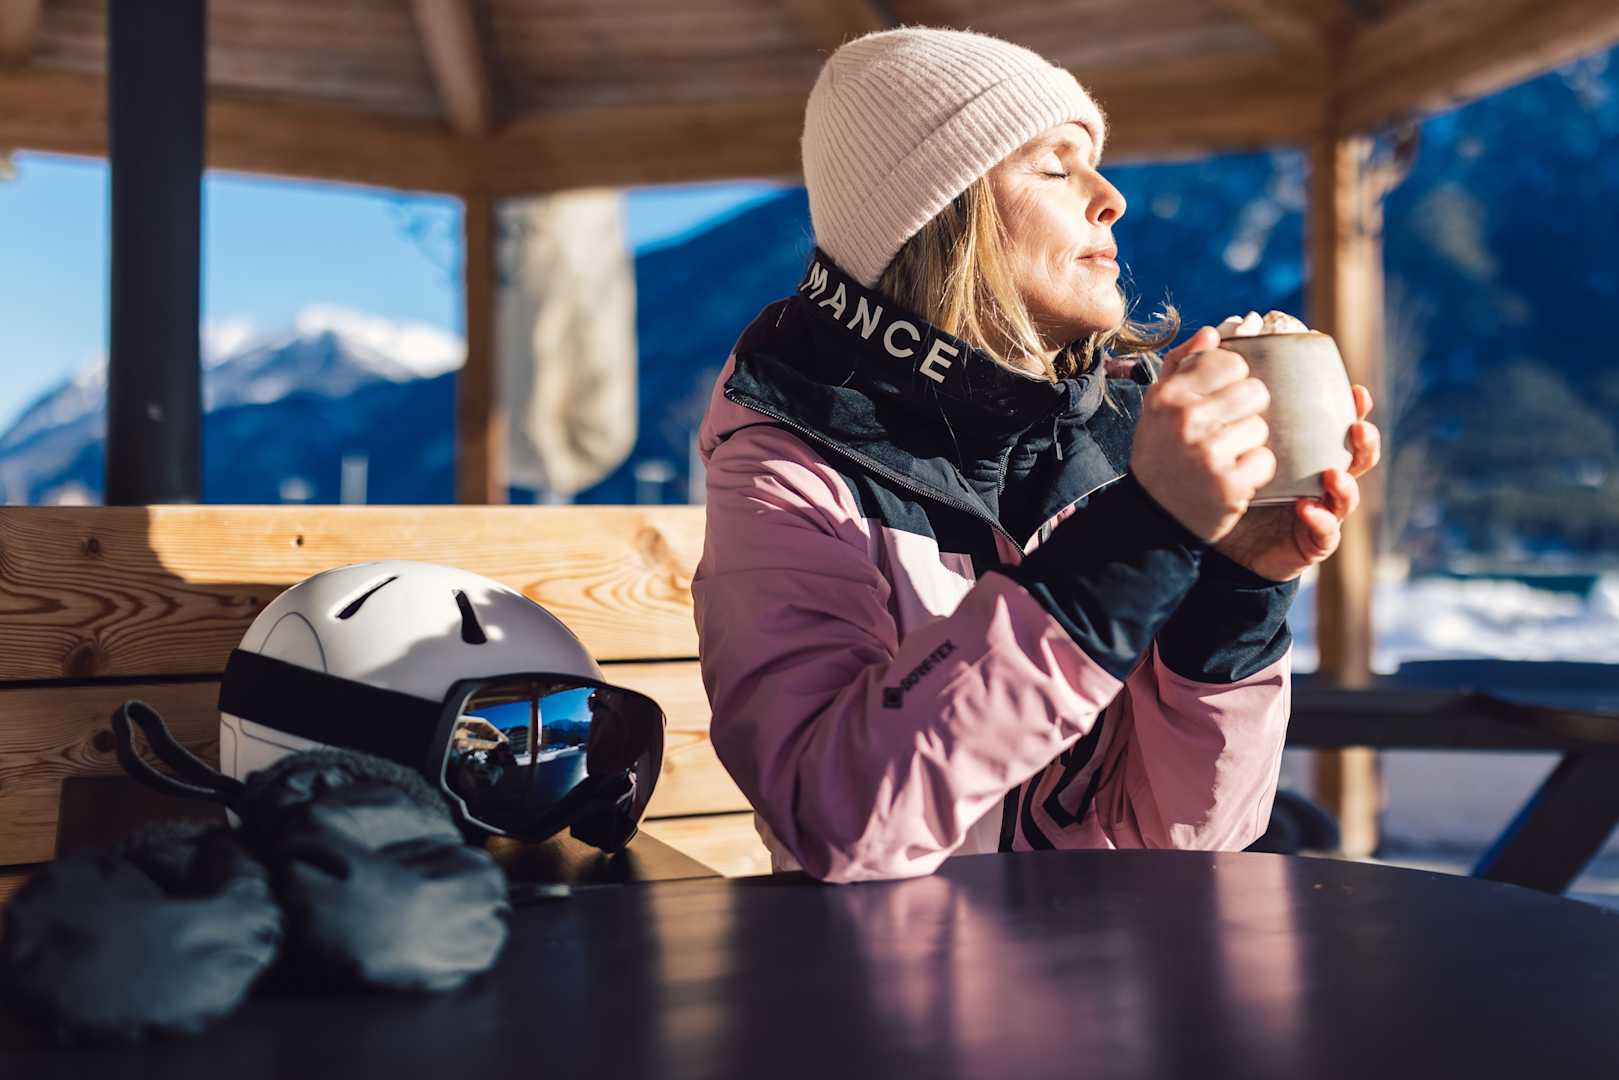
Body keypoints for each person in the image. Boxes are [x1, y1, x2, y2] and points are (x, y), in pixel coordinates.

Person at [691, 27, 1381, 883]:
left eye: (1094, 162)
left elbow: (1185, 839)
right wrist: (1133, 544)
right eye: (1055, 168)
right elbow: (838, 816)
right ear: (938, 219)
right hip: (887, 961)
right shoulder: (788, 475)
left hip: (1111, 949)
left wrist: (1233, 595)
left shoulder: (1115, 439)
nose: (1111, 198)